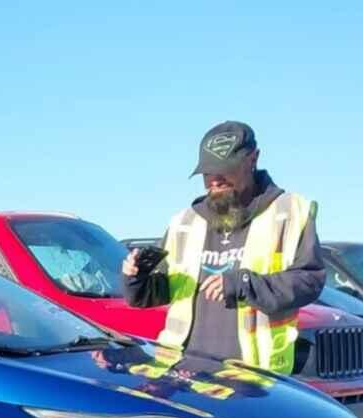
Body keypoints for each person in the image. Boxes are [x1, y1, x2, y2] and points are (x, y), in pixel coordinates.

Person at [123, 121, 324, 373]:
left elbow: (309, 281)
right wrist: (136, 278)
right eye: (207, 173)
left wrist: (242, 284)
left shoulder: (288, 211)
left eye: (224, 170)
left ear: (253, 159)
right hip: (184, 371)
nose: (214, 181)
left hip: (255, 377)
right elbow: (158, 293)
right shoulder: (186, 221)